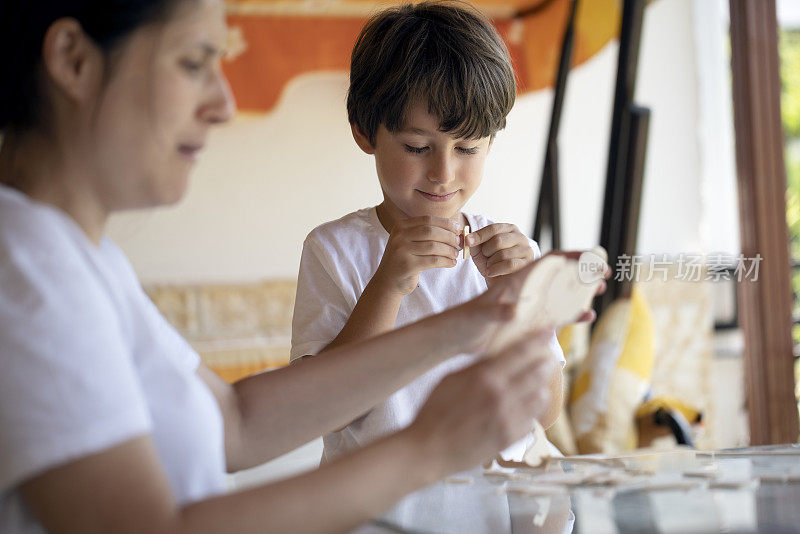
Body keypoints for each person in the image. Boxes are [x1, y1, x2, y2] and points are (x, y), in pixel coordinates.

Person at [0, 1, 571, 532]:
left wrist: (475, 321)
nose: (224, 103)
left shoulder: (80, 257)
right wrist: (428, 449)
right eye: (194, 61)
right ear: (74, 61)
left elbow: (235, 421)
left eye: (468, 147)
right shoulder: (25, 270)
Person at [291, 0, 566, 464]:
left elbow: (546, 409)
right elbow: (320, 413)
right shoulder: (335, 250)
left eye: (467, 147)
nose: (443, 172)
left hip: (498, 513)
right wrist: (388, 284)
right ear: (364, 132)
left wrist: (522, 306)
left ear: (491, 143)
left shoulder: (514, 256)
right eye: (417, 146)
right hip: (377, 511)